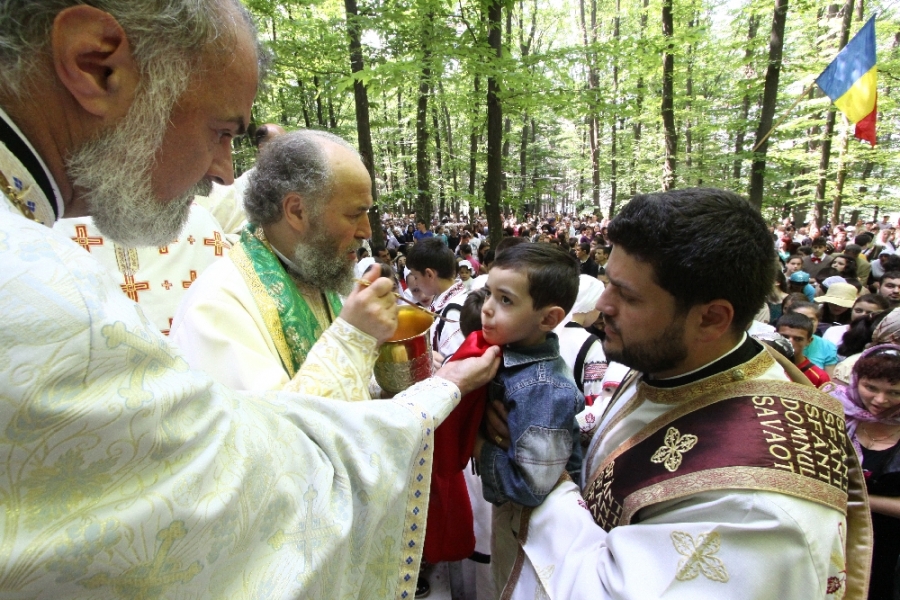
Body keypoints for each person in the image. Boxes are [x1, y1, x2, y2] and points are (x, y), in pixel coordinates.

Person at [0, 3, 501, 598]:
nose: (220, 172)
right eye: (222, 132)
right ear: (96, 64)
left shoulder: (318, 278)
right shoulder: (41, 287)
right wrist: (435, 387)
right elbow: (260, 492)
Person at [484, 188, 870, 599]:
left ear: (711, 318)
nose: (603, 304)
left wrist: (541, 469)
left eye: (627, 295)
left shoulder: (752, 509)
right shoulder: (676, 358)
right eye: (607, 282)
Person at [171, 130, 392, 393]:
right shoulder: (216, 309)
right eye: (355, 214)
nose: (366, 231)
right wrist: (352, 340)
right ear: (297, 211)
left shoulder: (314, 268)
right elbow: (273, 427)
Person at [471, 243, 585, 597]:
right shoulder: (509, 355)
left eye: (505, 300)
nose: (487, 308)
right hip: (514, 524)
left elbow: (529, 486)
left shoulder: (543, 389)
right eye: (488, 293)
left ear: (548, 318)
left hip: (538, 535)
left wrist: (477, 444)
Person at [827, 345, 900, 600]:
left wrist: (857, 500)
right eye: (871, 388)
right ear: (856, 380)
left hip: (887, 548)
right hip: (830, 535)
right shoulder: (831, 412)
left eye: (894, 392)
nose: (880, 400)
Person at [775, 313, 831, 387]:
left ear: (809, 341)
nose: (789, 342)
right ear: (774, 335)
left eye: (798, 339)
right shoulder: (762, 365)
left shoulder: (819, 377)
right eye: (784, 337)